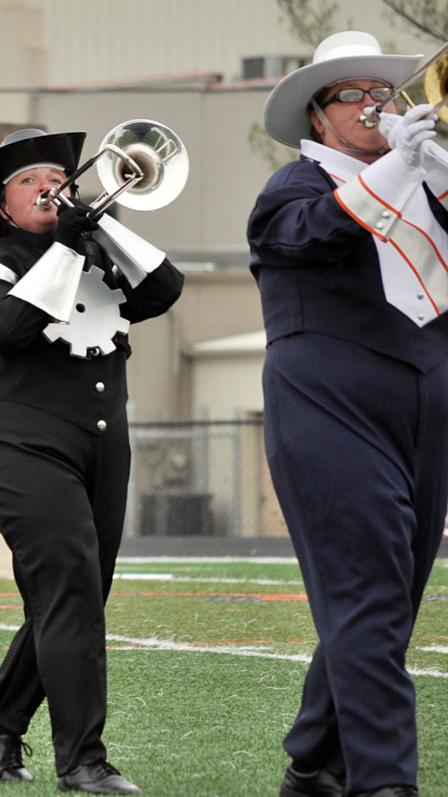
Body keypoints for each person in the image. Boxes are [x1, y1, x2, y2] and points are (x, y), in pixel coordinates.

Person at [0, 128, 183, 790]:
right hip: (24, 444)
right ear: (0, 206)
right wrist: (69, 242)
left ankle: (0, 722)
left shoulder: (95, 250)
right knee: (70, 586)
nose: (50, 185)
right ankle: (83, 759)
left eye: (59, 174)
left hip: (105, 441)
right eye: (30, 180)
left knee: (76, 596)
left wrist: (99, 228)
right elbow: (5, 327)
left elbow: (164, 290)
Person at [248, 31, 448, 797]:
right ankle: (384, 782)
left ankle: (312, 758)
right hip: (327, 401)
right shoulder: (293, 187)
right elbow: (320, 230)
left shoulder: (420, 182)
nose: (375, 107)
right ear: (317, 116)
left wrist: (433, 165)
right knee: (369, 592)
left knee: (391, 595)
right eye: (354, 96)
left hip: (423, 405)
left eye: (385, 94)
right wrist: (400, 164)